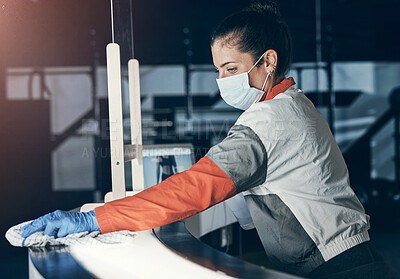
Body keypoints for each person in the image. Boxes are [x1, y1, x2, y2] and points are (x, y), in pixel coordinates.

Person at [21, 1, 398, 278]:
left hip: (340, 270)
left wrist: (92, 220)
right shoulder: (290, 105)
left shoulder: (272, 122)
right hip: (349, 262)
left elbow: (194, 189)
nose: (223, 81)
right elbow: (238, 197)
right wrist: (144, 209)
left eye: (232, 68)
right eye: (219, 70)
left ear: (268, 61)